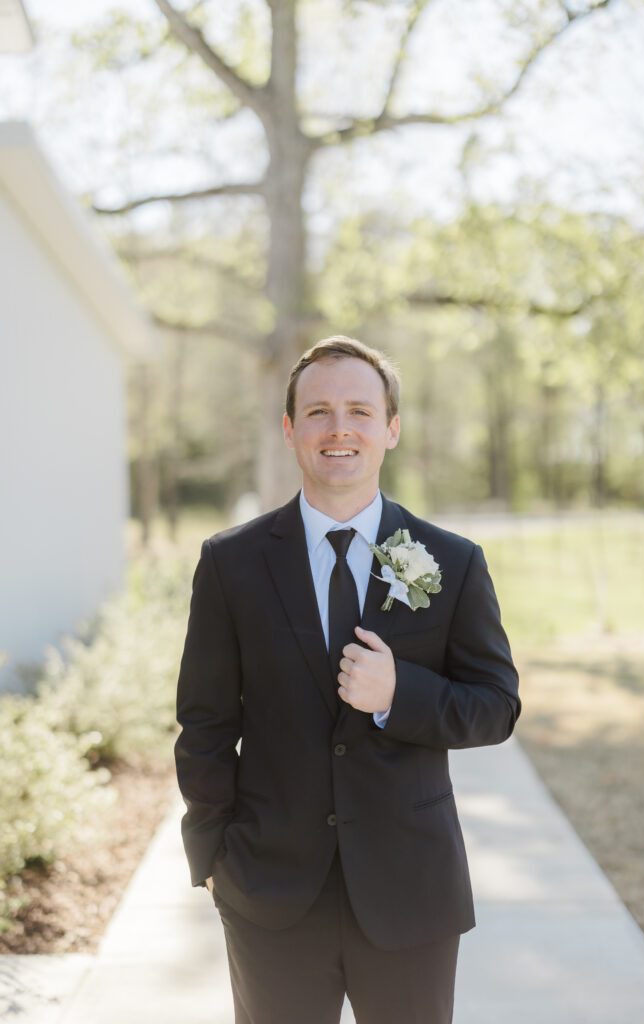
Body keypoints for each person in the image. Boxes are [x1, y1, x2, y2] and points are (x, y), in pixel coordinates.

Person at [174, 335, 521, 1024]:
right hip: (268, 890)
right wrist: (213, 855)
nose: (339, 428)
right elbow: (205, 725)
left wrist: (400, 697)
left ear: (390, 428)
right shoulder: (231, 563)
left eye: (360, 411)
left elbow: (495, 706)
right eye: (319, 411)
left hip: (410, 892)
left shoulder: (451, 562)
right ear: (290, 430)